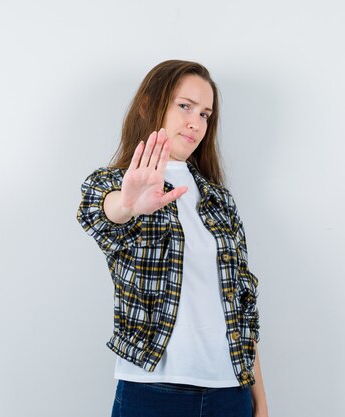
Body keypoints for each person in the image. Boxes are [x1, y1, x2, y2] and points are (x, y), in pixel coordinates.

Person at [76, 60, 268, 417]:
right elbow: (99, 215)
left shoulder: (220, 201)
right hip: (152, 391)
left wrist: (260, 400)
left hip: (230, 391)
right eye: (185, 106)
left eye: (206, 114)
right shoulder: (113, 183)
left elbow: (242, 308)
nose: (196, 122)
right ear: (150, 104)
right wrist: (128, 204)